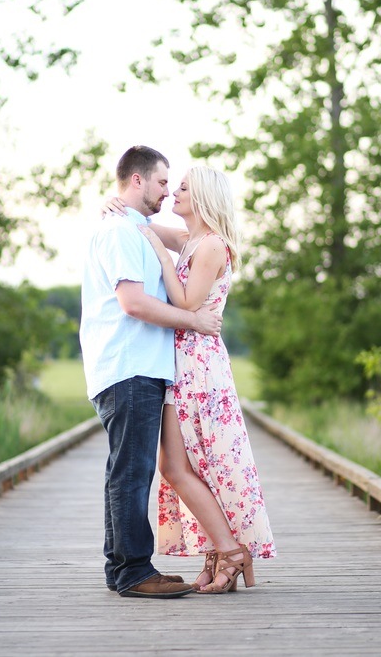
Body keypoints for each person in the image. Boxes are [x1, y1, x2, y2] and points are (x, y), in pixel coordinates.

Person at [105, 165, 276, 594]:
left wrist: (161, 259)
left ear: (201, 196)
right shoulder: (190, 239)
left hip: (199, 367)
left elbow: (186, 302)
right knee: (193, 464)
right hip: (179, 363)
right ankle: (220, 553)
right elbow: (146, 223)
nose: (172, 193)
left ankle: (230, 550)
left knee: (183, 465)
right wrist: (116, 207)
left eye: (181, 188)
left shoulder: (213, 246)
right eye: (170, 185)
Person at [79, 146, 224, 599]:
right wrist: (196, 321)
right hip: (129, 368)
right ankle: (134, 572)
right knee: (133, 472)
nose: (168, 191)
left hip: (137, 368)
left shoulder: (134, 227)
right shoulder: (122, 232)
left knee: (128, 470)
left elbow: (188, 241)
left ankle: (122, 568)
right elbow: (134, 304)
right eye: (163, 182)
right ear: (138, 180)